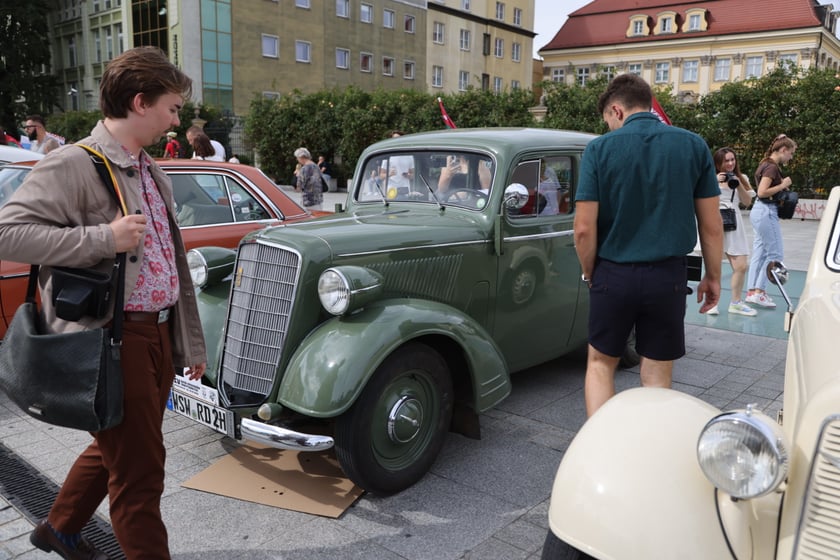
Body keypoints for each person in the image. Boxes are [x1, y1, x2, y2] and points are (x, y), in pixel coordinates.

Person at [0, 46, 206, 559]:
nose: (176, 119)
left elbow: (169, 264)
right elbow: (7, 234)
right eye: (173, 107)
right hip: (113, 338)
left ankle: (59, 527)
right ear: (141, 102)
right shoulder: (74, 163)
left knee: (119, 444)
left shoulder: (147, 166)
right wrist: (102, 239)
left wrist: (187, 340)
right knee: (139, 477)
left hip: (155, 333)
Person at [573, 73, 722, 417]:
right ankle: (649, 450)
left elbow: (583, 228)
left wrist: (588, 271)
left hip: (612, 273)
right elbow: (712, 227)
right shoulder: (693, 144)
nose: (610, 127)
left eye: (608, 120)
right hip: (667, 276)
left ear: (617, 110)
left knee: (599, 363)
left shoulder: (599, 149)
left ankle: (604, 447)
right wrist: (713, 277)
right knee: (656, 371)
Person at [746, 134, 797, 308]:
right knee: (775, 255)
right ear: (783, 150)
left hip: (759, 211)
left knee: (759, 253)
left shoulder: (765, 163)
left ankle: (752, 291)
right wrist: (783, 185)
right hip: (766, 211)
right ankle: (760, 292)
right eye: (790, 153)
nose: (791, 157)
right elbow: (761, 192)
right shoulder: (772, 167)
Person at [708, 148, 757, 316]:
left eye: (732, 160)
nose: (730, 163)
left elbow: (747, 201)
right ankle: (711, 302)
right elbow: (699, 198)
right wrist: (714, 181)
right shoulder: (709, 178)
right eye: (726, 161)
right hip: (715, 221)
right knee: (714, 267)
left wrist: (738, 183)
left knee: (741, 266)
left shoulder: (742, 178)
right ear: (718, 163)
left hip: (734, 222)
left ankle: (735, 303)